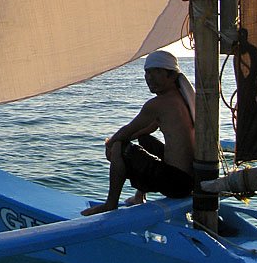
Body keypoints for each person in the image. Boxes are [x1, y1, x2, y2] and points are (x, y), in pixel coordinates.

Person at [81, 50, 195, 215]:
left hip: (176, 184)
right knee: (144, 139)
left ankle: (110, 204)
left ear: (171, 76)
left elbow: (128, 130)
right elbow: (145, 129)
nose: (149, 78)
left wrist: (111, 145)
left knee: (120, 147)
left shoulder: (158, 104)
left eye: (156, 72)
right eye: (147, 72)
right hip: (189, 180)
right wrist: (123, 140)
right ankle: (138, 196)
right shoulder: (181, 99)